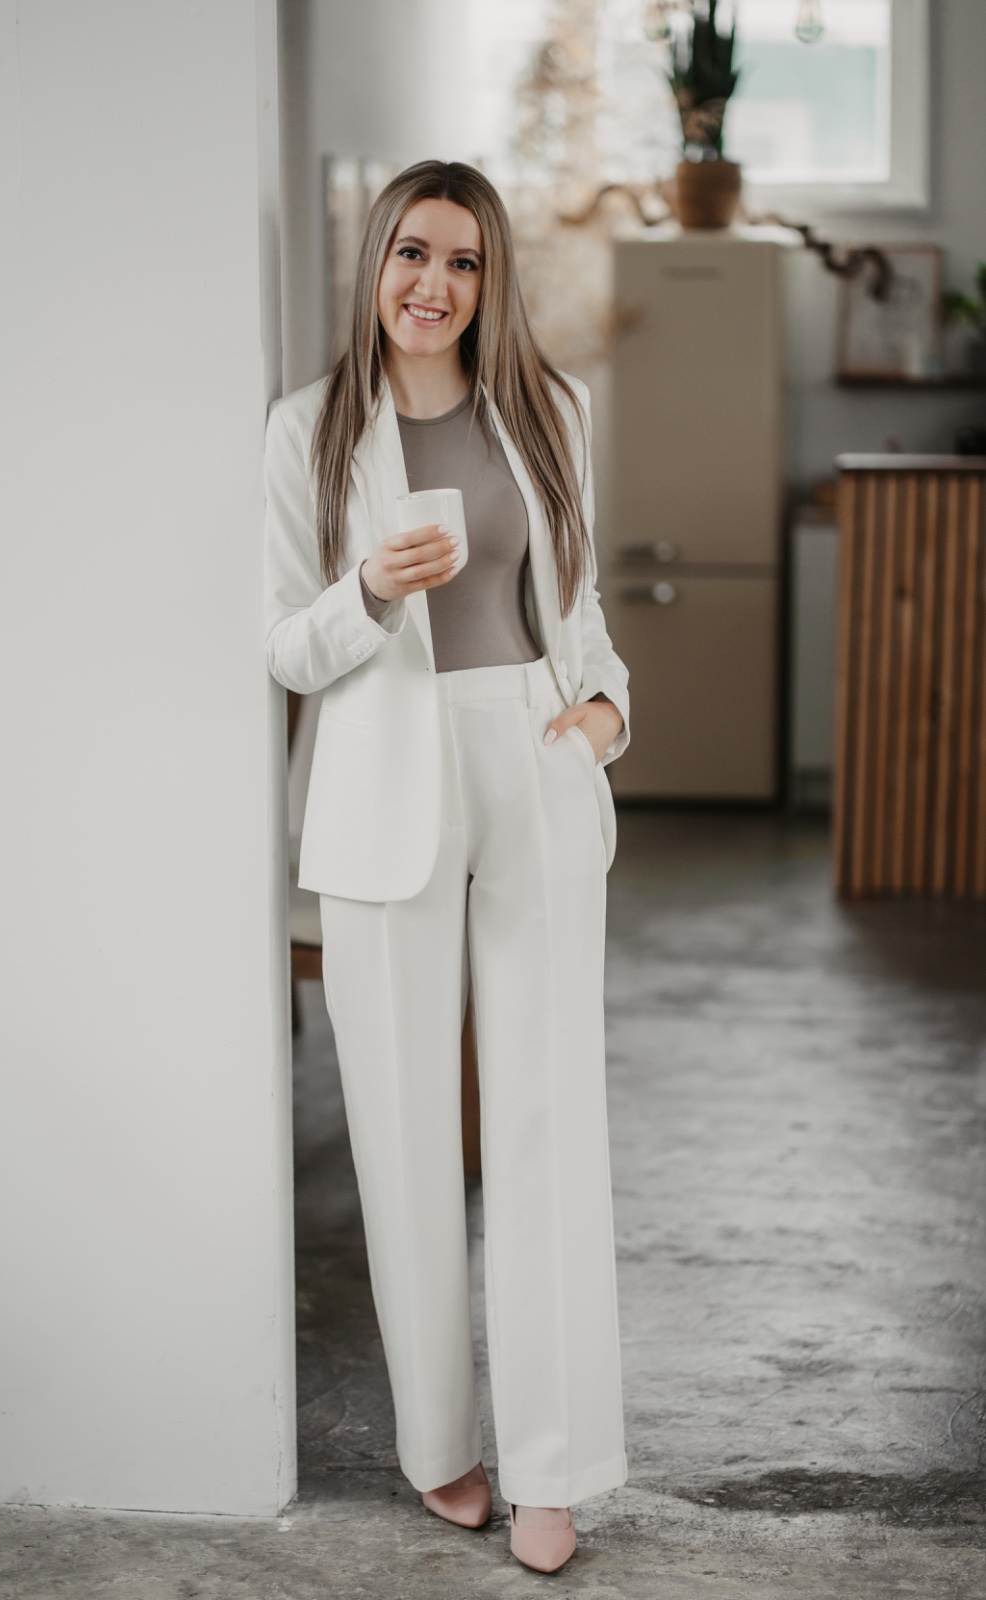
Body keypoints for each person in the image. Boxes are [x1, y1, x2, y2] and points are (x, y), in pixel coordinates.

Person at [263, 159, 630, 1575]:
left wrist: (605, 717)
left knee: (546, 1121)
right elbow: (282, 646)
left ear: (491, 281)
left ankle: (552, 1465)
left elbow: (579, 611)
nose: (434, 284)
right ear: (375, 263)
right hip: (378, 787)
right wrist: (366, 592)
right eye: (411, 253)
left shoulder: (549, 411)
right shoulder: (308, 430)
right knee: (404, 1132)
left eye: (464, 262)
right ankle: (441, 1450)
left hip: (529, 757)